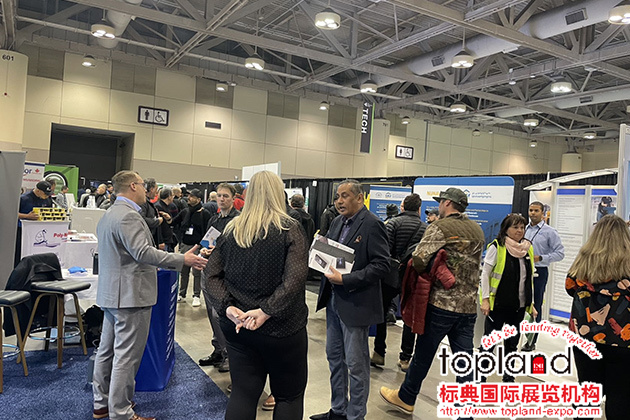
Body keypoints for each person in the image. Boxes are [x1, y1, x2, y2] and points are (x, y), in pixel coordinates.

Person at [92, 170, 207, 420]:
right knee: (126, 356)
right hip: (130, 295)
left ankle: (102, 403)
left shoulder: (110, 213)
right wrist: (181, 259)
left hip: (113, 294)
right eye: (143, 185)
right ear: (133, 186)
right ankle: (121, 411)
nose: (146, 190)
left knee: (107, 351)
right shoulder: (128, 216)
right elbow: (142, 253)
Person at [204, 171, 309, 420]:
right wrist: (265, 311)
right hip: (282, 329)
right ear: (278, 193)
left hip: (239, 327)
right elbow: (294, 279)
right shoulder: (289, 229)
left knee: (243, 393)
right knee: (288, 397)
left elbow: (210, 275)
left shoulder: (231, 229)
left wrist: (228, 309)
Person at [379, 187, 484, 416]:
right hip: (468, 306)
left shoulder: (440, 227)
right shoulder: (477, 229)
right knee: (465, 360)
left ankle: (406, 397)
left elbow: (419, 259)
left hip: (441, 304)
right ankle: (466, 412)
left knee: (424, 354)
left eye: (440, 202)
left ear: (447, 203)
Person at [311, 179, 390, 420]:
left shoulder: (373, 224)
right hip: (333, 300)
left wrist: (347, 280)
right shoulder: (337, 222)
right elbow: (330, 255)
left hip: (356, 304)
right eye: (337, 197)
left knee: (356, 364)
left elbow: (382, 265)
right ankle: (338, 410)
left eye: (345, 196)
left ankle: (356, 415)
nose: (339, 201)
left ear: (359, 197)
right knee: (334, 357)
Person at [566, 215, 630, 420]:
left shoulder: (583, 259)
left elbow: (569, 287)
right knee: (620, 396)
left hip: (585, 337)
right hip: (623, 340)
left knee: (587, 392)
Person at [371, 193, 426, 372]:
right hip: (412, 277)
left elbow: (384, 250)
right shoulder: (425, 228)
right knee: (409, 316)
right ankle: (405, 357)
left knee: (381, 312)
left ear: (403, 207)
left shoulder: (392, 224)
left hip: (389, 276)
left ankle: (379, 351)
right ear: (419, 209)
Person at [479, 213, 536, 382]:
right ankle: (480, 376)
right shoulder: (497, 247)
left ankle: (508, 376)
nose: (520, 231)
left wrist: (530, 303)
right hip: (498, 304)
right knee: (490, 341)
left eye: (522, 227)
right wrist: (485, 299)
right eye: (515, 227)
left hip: (518, 306)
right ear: (506, 229)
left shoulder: (527, 248)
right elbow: (485, 274)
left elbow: (528, 278)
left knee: (512, 343)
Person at [198, 183, 240, 373]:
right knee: (211, 314)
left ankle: (229, 354)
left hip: (226, 274)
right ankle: (218, 349)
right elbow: (207, 242)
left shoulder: (238, 221)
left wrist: (219, 250)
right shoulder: (214, 219)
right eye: (219, 196)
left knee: (221, 314)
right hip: (209, 270)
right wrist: (205, 250)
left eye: (225, 196)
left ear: (233, 198)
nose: (221, 199)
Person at [522, 201, 564, 351]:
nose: (533, 213)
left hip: (539, 272)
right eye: (531, 210)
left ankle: (531, 341)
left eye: (536, 211)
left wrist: (540, 258)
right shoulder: (523, 229)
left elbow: (560, 254)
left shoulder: (550, 232)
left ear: (542, 213)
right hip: (522, 269)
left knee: (536, 305)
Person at [172, 188, 212, 307]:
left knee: (197, 272)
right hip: (185, 244)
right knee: (184, 270)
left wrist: (204, 247)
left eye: (192, 196)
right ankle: (182, 293)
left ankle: (196, 295)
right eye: (189, 196)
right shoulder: (185, 211)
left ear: (198, 199)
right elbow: (173, 222)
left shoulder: (205, 214)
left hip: (198, 246)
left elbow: (209, 231)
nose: (189, 198)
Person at [15, 180, 54, 266]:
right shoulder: (24, 199)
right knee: (20, 254)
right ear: (38, 191)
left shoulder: (48, 199)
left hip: (40, 231)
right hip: (23, 231)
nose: (47, 196)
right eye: (45, 194)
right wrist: (27, 216)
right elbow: (13, 214)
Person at [154, 188, 177, 253]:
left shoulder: (167, 206)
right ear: (169, 196)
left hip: (168, 238)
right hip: (164, 240)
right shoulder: (159, 207)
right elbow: (158, 226)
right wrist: (160, 241)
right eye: (172, 195)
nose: (173, 197)